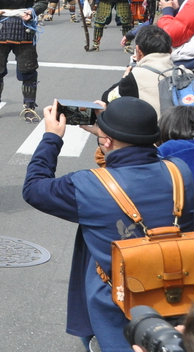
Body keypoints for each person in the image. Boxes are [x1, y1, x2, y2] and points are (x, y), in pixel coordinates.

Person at [23, 96, 194, 352]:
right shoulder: (181, 172)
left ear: (108, 140)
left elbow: (34, 188)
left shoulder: (85, 185)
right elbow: (143, 162)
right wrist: (108, 138)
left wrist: (52, 138)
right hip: (181, 294)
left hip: (118, 307)